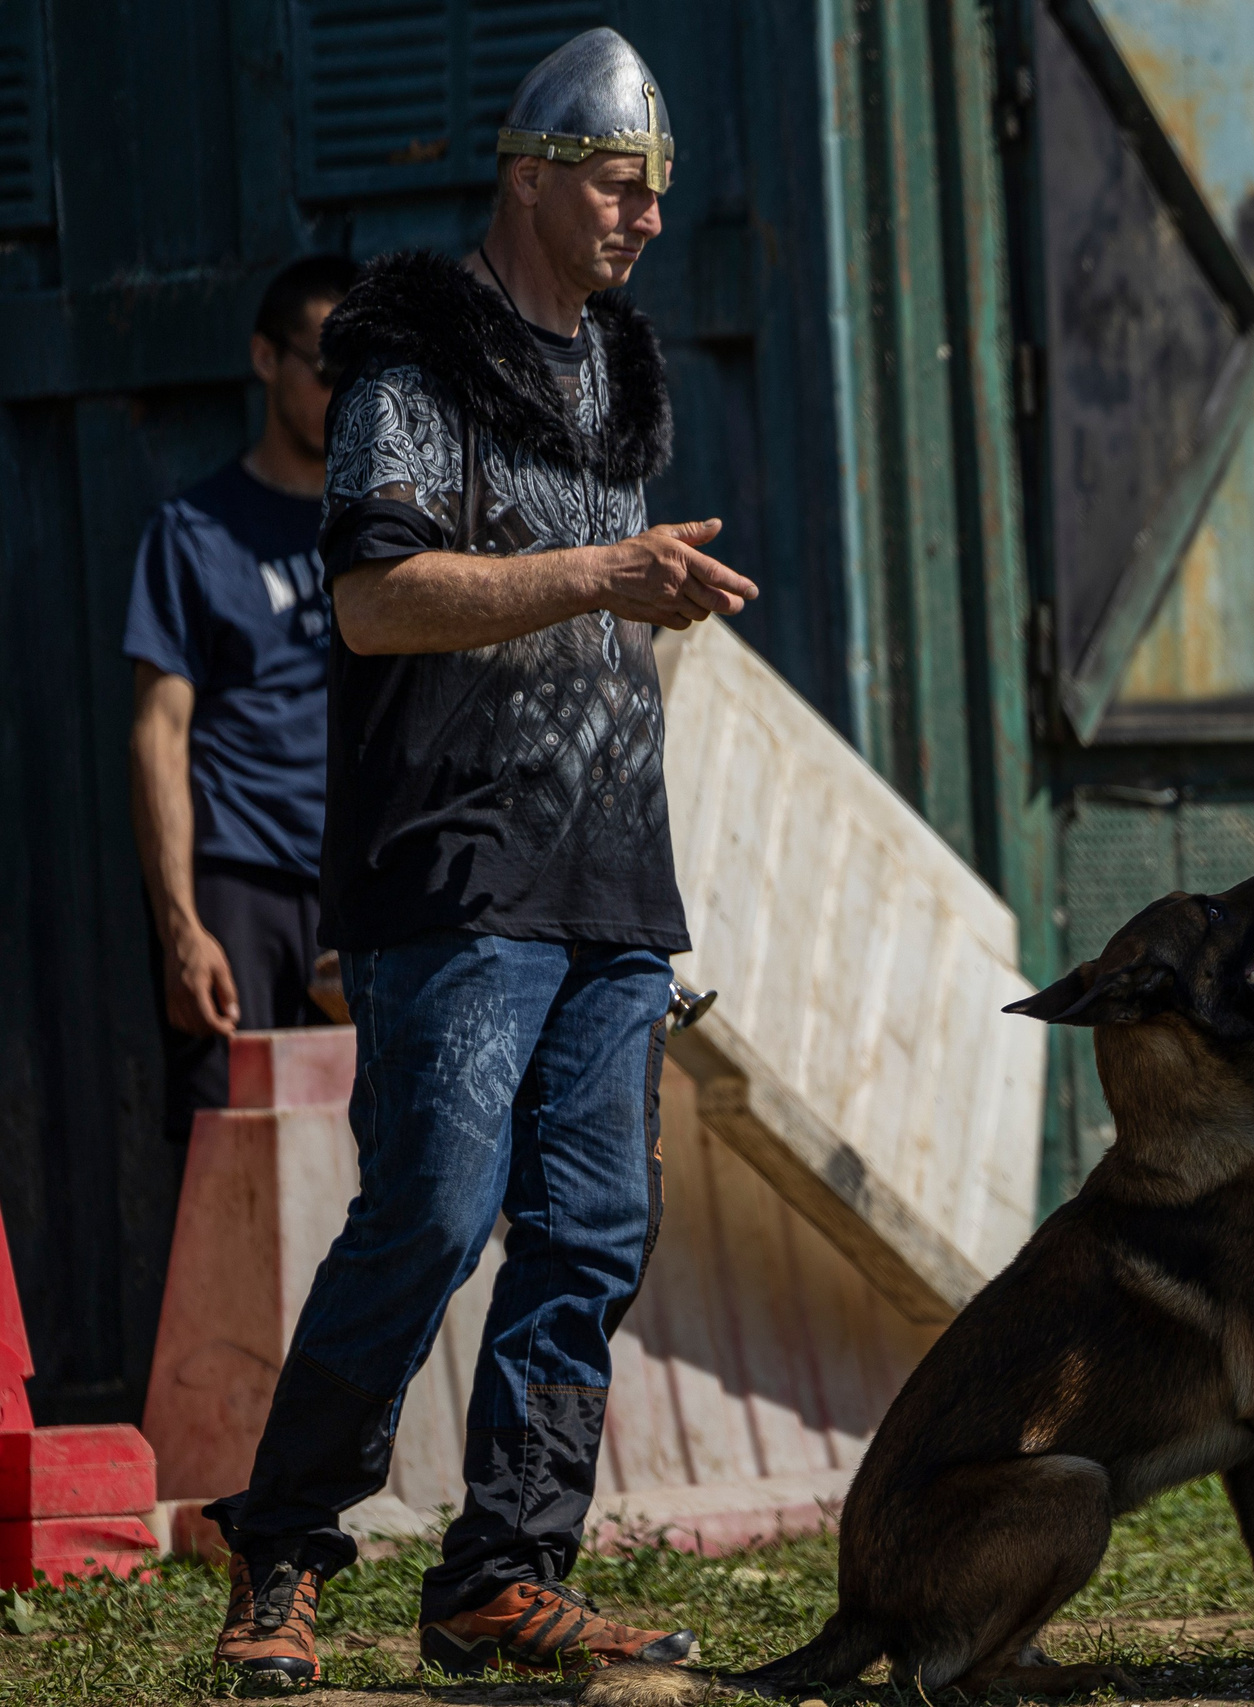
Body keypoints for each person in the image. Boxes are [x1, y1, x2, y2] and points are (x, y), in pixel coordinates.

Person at [204, 28, 759, 1687]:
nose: (644, 216)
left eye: (657, 191)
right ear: (527, 173)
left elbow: (589, 605)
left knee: (593, 1229)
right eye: (616, 181)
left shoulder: (613, 374)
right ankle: (285, 1543)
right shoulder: (413, 363)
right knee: (437, 1211)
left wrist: (628, 593)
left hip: (609, 873)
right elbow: (377, 599)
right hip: (451, 868)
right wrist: (605, 573)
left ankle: (500, 1575)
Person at [126, 254, 361, 1146]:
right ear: (267, 358)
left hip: (358, 889)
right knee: (229, 1156)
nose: (346, 394)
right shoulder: (193, 535)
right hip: (241, 886)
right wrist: (182, 927)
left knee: (373, 1172)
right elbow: (159, 734)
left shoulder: (386, 534)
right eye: (328, 368)